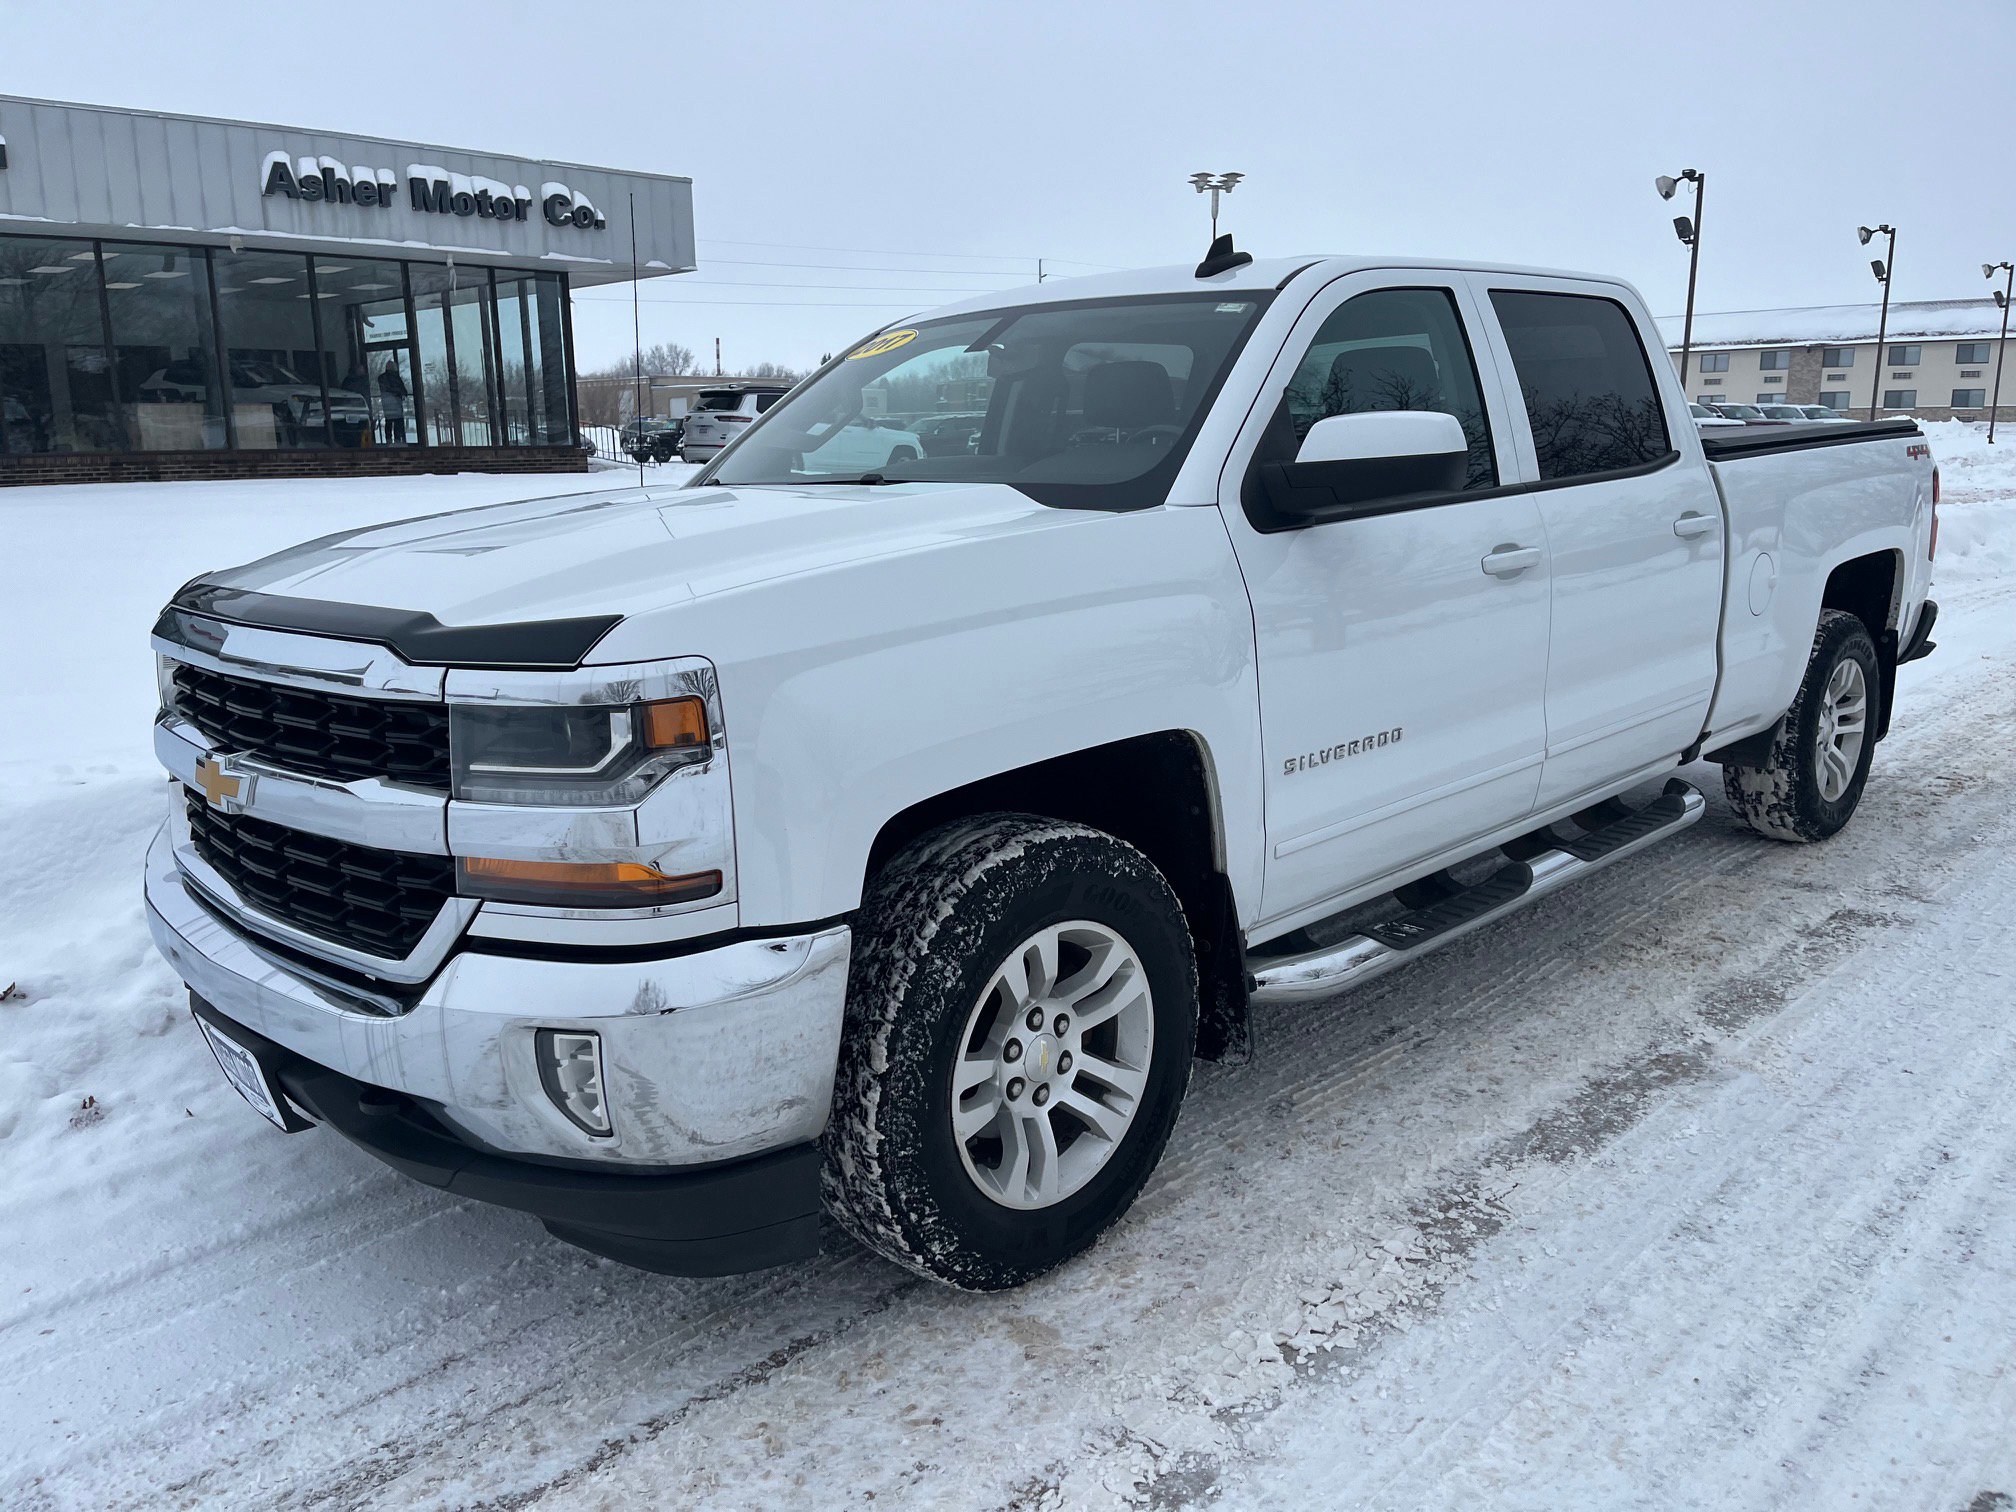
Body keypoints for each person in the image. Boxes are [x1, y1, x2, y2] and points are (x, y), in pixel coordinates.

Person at [379, 361, 409, 443]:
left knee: (389, 421)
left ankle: (389, 439)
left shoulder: (382, 378)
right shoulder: (396, 377)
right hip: (396, 402)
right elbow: (402, 390)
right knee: (398, 421)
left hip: (387, 403)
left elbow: (385, 389)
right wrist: (400, 393)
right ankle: (397, 439)